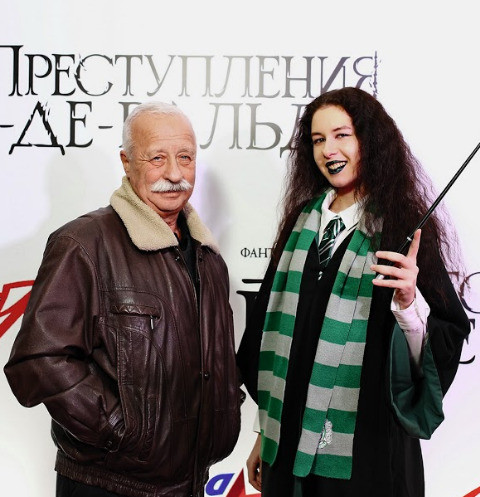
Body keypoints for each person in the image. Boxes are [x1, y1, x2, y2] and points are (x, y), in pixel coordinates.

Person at [236, 87, 470, 497]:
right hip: (285, 447)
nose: (329, 150)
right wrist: (263, 432)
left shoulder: (402, 227)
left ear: (369, 141)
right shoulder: (300, 224)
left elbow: (443, 342)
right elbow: (275, 348)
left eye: (342, 135)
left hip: (367, 458)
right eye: (318, 139)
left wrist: (409, 304)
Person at [4, 102, 241, 497]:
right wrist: (120, 429)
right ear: (127, 163)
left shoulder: (207, 257)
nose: (175, 174)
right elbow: (38, 361)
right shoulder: (83, 243)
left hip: (190, 482)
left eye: (185, 157)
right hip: (109, 483)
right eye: (157, 158)